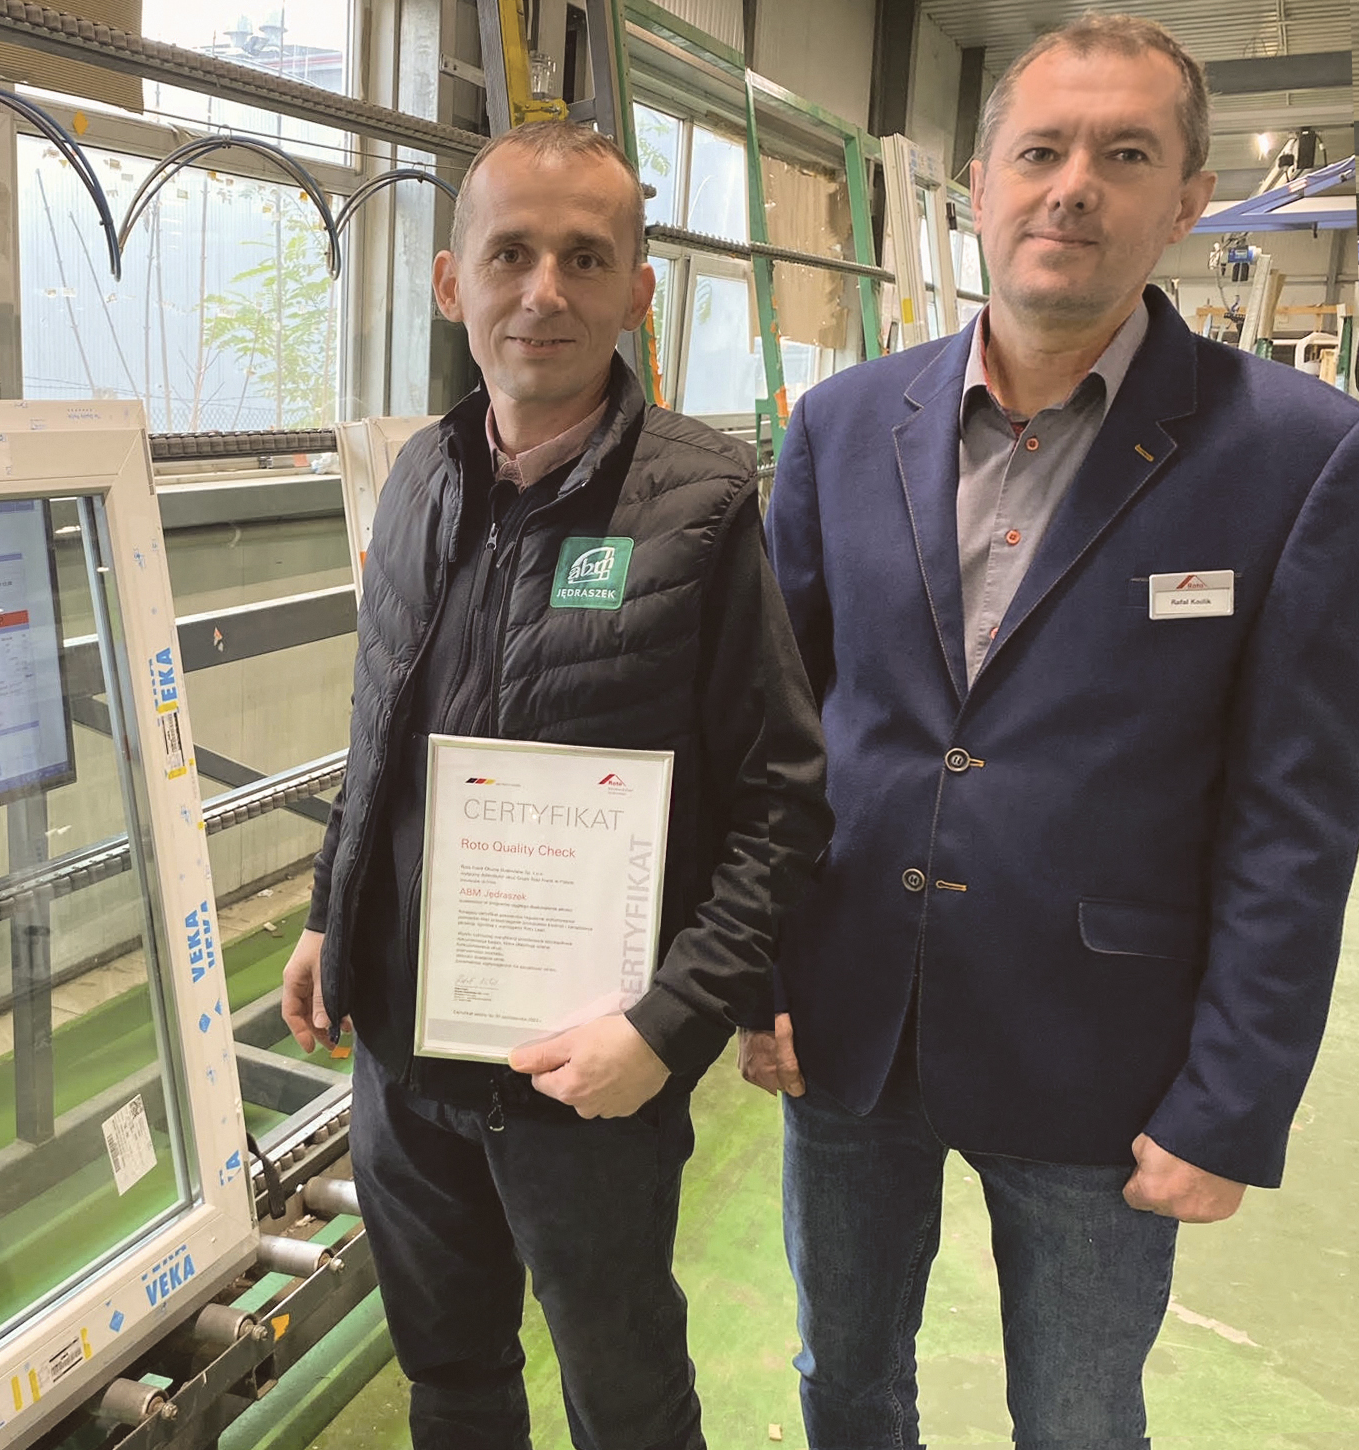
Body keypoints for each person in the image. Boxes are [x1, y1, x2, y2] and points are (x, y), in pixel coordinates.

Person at [750, 14, 1359, 1448]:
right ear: (980, 185)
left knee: (1079, 1418)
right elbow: (774, 734)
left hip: (1103, 1052)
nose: (1073, 186)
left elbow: (1298, 810)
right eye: (1041, 151)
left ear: (1188, 198)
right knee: (844, 1381)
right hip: (850, 1023)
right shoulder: (840, 426)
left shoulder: (1296, 453)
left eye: (1125, 155)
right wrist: (757, 973)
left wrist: (1232, 1100)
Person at [280, 120, 830, 1449]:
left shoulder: (700, 505)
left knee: (621, 1389)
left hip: (589, 1075)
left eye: (586, 258)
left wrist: (667, 1026)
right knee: (451, 1371)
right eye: (510, 253)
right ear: (449, 281)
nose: (545, 291)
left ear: (638, 292)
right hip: (407, 1050)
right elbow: (382, 731)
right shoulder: (417, 478)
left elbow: (781, 802)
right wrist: (328, 911)